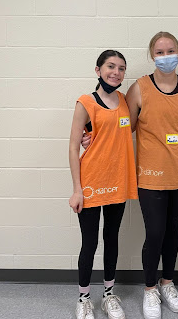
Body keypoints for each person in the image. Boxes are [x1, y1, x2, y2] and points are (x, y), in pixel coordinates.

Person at [125, 31, 178, 319]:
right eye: (160, 52)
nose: (166, 56)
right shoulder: (139, 88)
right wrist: (91, 137)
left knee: (172, 231)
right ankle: (149, 290)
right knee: (154, 232)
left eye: (171, 50)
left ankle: (167, 282)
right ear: (151, 55)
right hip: (151, 174)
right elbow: (124, 128)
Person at [69, 50, 138, 319]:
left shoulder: (123, 100)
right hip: (91, 184)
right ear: (98, 70)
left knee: (112, 239)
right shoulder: (86, 102)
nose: (116, 72)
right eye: (111, 66)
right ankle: (84, 298)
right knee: (90, 242)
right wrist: (77, 189)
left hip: (117, 182)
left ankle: (109, 294)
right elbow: (74, 147)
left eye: (121, 68)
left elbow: (120, 132)